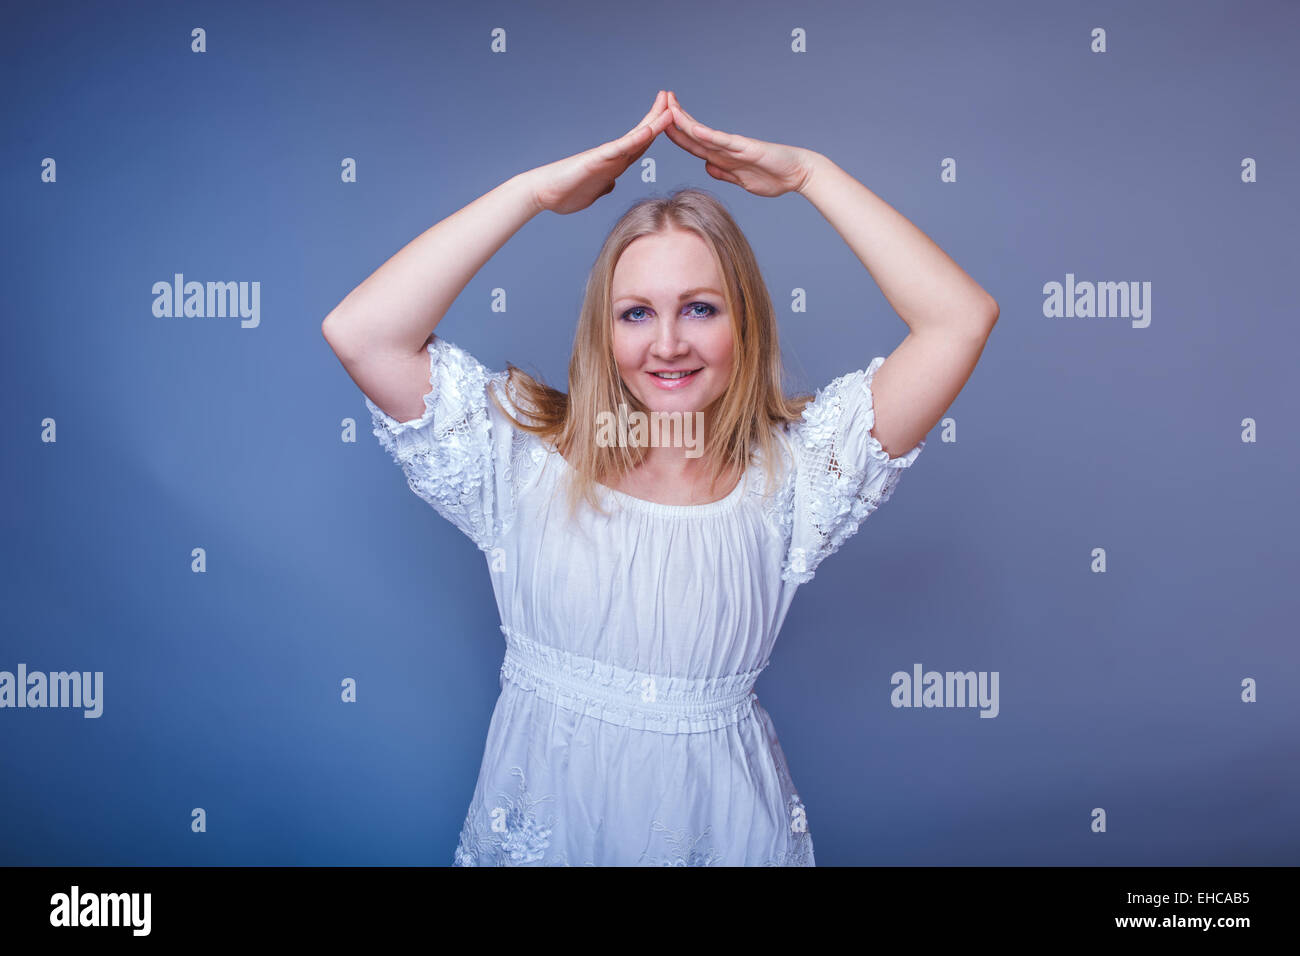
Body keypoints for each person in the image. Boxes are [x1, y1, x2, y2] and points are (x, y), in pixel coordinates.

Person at [322, 90, 998, 865]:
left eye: (701, 308)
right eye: (636, 313)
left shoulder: (800, 473)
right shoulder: (523, 455)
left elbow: (960, 318)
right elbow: (362, 332)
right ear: (602, 331)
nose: (668, 343)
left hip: (724, 832)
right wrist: (533, 194)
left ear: (745, 320)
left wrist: (812, 173)